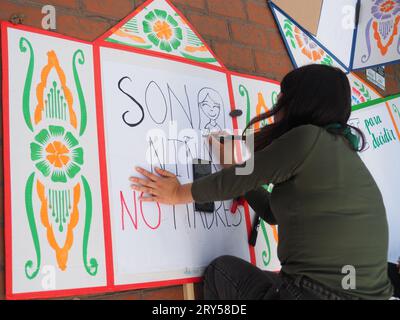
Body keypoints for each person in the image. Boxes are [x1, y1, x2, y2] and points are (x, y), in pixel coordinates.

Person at [130, 64, 394, 300]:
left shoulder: (308, 139)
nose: (277, 102)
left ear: (300, 103)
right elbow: (271, 212)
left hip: (313, 293)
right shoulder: (344, 154)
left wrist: (177, 193)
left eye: (284, 96)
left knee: (221, 272)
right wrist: (234, 168)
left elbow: (236, 180)